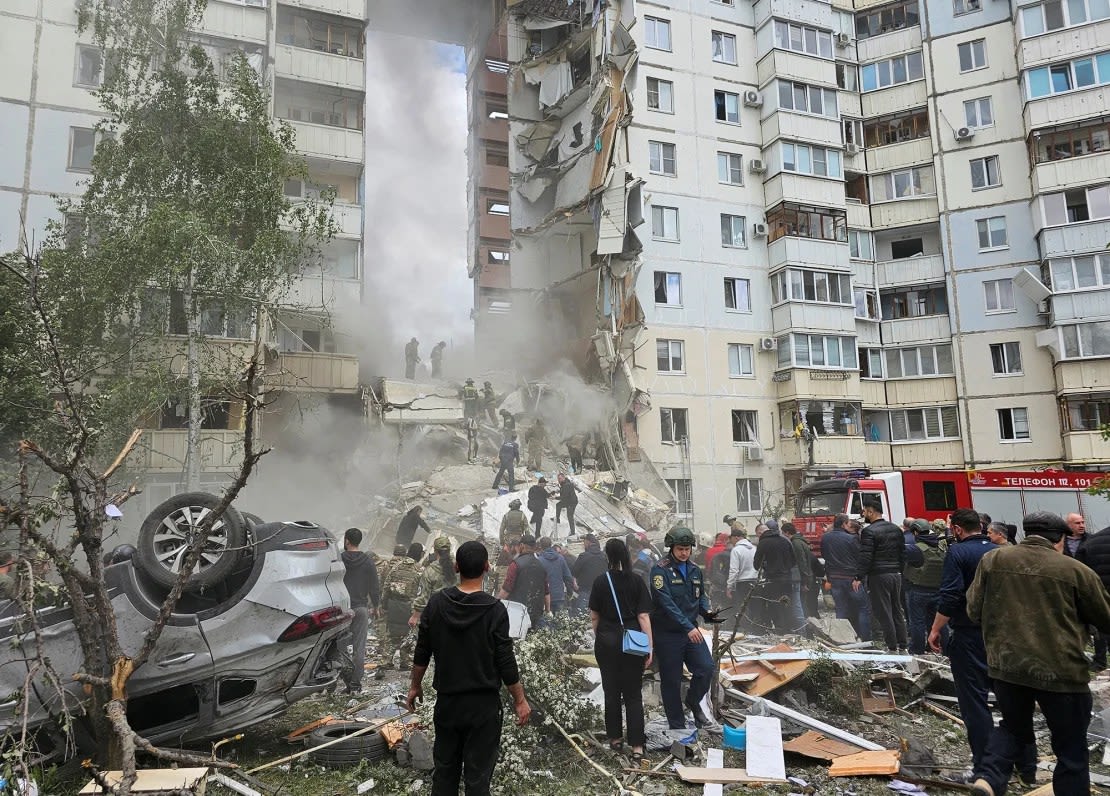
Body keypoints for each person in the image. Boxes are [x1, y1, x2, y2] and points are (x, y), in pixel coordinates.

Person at [968, 512, 1110, 796]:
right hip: (1061, 672)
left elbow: (973, 610)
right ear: (1060, 539)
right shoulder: (1075, 571)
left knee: (1012, 728)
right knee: (1070, 747)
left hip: (1007, 667)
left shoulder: (993, 560)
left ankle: (988, 777)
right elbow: (1105, 617)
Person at [408, 541, 530, 796]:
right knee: (478, 778)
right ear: (486, 567)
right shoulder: (495, 610)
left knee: (445, 773)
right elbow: (505, 660)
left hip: (448, 704)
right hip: (483, 707)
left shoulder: (436, 604)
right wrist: (520, 699)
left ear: (456, 567)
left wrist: (414, 686)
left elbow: (422, 651)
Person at [927, 508, 1014, 782]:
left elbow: (951, 594)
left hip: (970, 634)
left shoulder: (957, 553)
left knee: (975, 702)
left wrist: (936, 629)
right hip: (1005, 635)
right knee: (1012, 700)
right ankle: (1021, 764)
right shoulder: (1002, 552)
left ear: (956, 529)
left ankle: (984, 769)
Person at [650, 526, 720, 730]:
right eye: (680, 548)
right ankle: (677, 724)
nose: (684, 552)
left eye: (688, 549)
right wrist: (688, 627)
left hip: (691, 631)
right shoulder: (659, 570)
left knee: (706, 668)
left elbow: (700, 598)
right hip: (669, 634)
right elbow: (666, 603)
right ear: (671, 547)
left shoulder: (695, 570)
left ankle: (693, 701)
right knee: (671, 680)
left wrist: (707, 613)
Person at [590, 538, 653, 760]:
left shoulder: (600, 581)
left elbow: (594, 616)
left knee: (611, 692)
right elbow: (643, 616)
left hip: (607, 641)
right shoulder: (636, 580)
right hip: (632, 643)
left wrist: (601, 637)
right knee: (634, 694)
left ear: (607, 556)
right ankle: (637, 746)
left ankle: (615, 739)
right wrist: (649, 647)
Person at [853, 497, 907, 652]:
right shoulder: (896, 529)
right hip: (895, 574)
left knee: (884, 611)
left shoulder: (869, 531)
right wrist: (899, 571)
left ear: (871, 511)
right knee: (897, 609)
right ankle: (903, 644)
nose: (863, 514)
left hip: (879, 575)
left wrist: (858, 576)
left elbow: (866, 556)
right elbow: (903, 553)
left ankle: (892, 646)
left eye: (864, 511)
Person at [341, 528, 380, 694]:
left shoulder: (339, 559)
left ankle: (343, 680)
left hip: (340, 611)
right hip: (360, 609)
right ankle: (355, 685)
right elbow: (375, 587)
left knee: (338, 648)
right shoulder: (368, 561)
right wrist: (376, 606)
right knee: (359, 648)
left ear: (347, 541)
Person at [821, 513, 870, 642]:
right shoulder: (851, 539)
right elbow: (859, 557)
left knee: (841, 608)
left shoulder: (825, 538)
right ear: (843, 524)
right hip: (851, 578)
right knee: (862, 608)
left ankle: (842, 639)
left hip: (835, 578)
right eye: (847, 522)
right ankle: (865, 639)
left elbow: (824, 555)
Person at [903, 519, 946, 655]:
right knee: (938, 622)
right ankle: (943, 648)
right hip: (937, 590)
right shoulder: (940, 546)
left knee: (917, 622)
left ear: (915, 532)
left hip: (918, 590)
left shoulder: (915, 548)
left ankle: (917, 650)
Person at [380, 544, 422, 672]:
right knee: (409, 634)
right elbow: (421, 592)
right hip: (410, 605)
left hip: (394, 603)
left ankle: (386, 660)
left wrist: (384, 604)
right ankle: (405, 662)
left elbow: (386, 586)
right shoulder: (418, 569)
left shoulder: (396, 566)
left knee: (391, 632)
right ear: (419, 554)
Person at [753, 519, 797, 634]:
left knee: (774, 604)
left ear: (761, 533)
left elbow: (756, 564)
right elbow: (793, 561)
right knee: (787, 604)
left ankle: (779, 628)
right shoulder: (786, 540)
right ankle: (789, 629)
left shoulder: (763, 543)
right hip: (787, 578)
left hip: (772, 580)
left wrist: (766, 566)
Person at [497, 535, 550, 627]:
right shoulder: (541, 565)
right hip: (536, 613)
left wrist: (495, 603)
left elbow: (506, 589)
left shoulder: (515, 564)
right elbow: (546, 592)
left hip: (518, 613)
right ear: (534, 547)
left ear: (521, 545)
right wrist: (548, 611)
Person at [1078, 524, 1110, 671]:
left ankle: (1100, 660)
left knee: (1102, 629)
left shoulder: (1091, 542)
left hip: (1102, 597)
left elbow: (1080, 576)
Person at [410, 537, 459, 628]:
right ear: (449, 549)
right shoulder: (460, 568)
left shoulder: (430, 571)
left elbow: (423, 597)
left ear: (435, 551)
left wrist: (415, 616)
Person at [726, 525, 759, 631]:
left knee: (742, 607)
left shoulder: (736, 550)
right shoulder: (754, 548)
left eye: (731, 539)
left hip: (742, 583)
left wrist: (729, 587)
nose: (731, 542)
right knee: (754, 607)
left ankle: (745, 630)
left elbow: (734, 570)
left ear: (736, 537)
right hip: (755, 581)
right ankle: (755, 629)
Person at [782, 522, 813, 626]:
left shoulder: (795, 543)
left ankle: (803, 630)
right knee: (803, 605)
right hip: (806, 576)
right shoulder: (801, 541)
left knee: (800, 605)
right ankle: (807, 628)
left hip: (801, 578)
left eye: (783, 533)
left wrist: (804, 582)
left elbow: (801, 563)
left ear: (787, 532)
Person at [537, 536, 577, 613]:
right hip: (559, 595)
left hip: (545, 598)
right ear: (551, 545)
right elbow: (568, 577)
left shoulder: (539, 561)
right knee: (560, 622)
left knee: (547, 622)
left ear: (540, 546)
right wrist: (569, 592)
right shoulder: (560, 558)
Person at [572, 533, 608, 615]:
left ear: (587, 542)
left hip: (586, 590)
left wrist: (575, 583)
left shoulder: (583, 556)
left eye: (584, 542)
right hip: (602, 590)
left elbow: (574, 573)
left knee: (581, 616)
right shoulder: (604, 556)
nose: (583, 545)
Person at [554, 473, 580, 539]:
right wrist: (559, 490)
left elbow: (563, 497)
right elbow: (564, 491)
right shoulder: (565, 482)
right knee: (558, 505)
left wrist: (555, 497)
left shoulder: (567, 485)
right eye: (558, 479)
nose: (559, 480)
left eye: (560, 479)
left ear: (563, 478)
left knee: (569, 516)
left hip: (571, 502)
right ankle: (558, 519)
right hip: (568, 500)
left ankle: (573, 532)